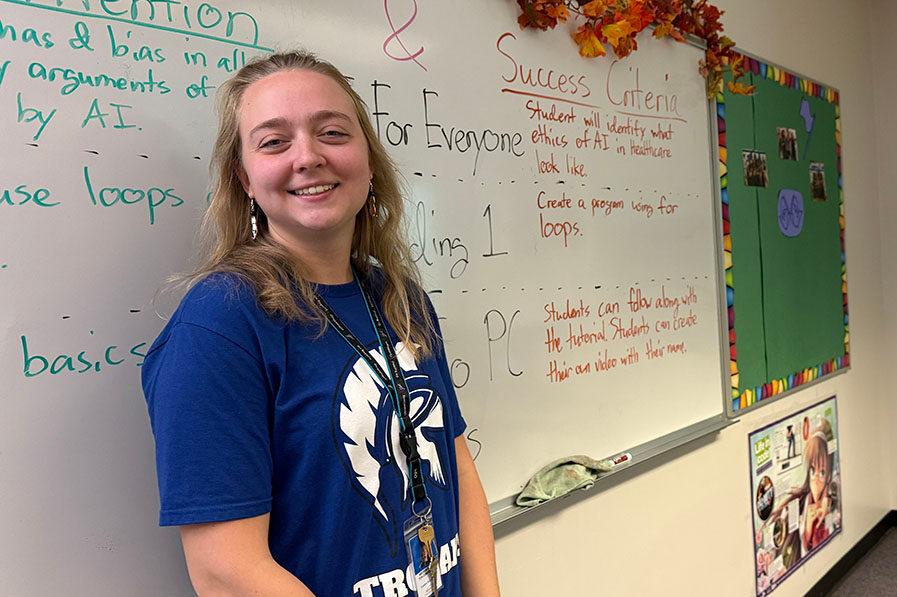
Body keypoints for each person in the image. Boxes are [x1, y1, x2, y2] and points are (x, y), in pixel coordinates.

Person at [141, 51, 501, 596]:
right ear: (244, 178)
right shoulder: (221, 324)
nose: (307, 157)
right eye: (273, 142)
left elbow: (457, 464)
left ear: (369, 159)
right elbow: (225, 571)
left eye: (332, 132)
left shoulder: (402, 299)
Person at [766, 418, 836, 555]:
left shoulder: (831, 493)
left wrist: (827, 502)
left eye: (822, 472)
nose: (815, 480)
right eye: (812, 470)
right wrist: (808, 529)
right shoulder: (802, 506)